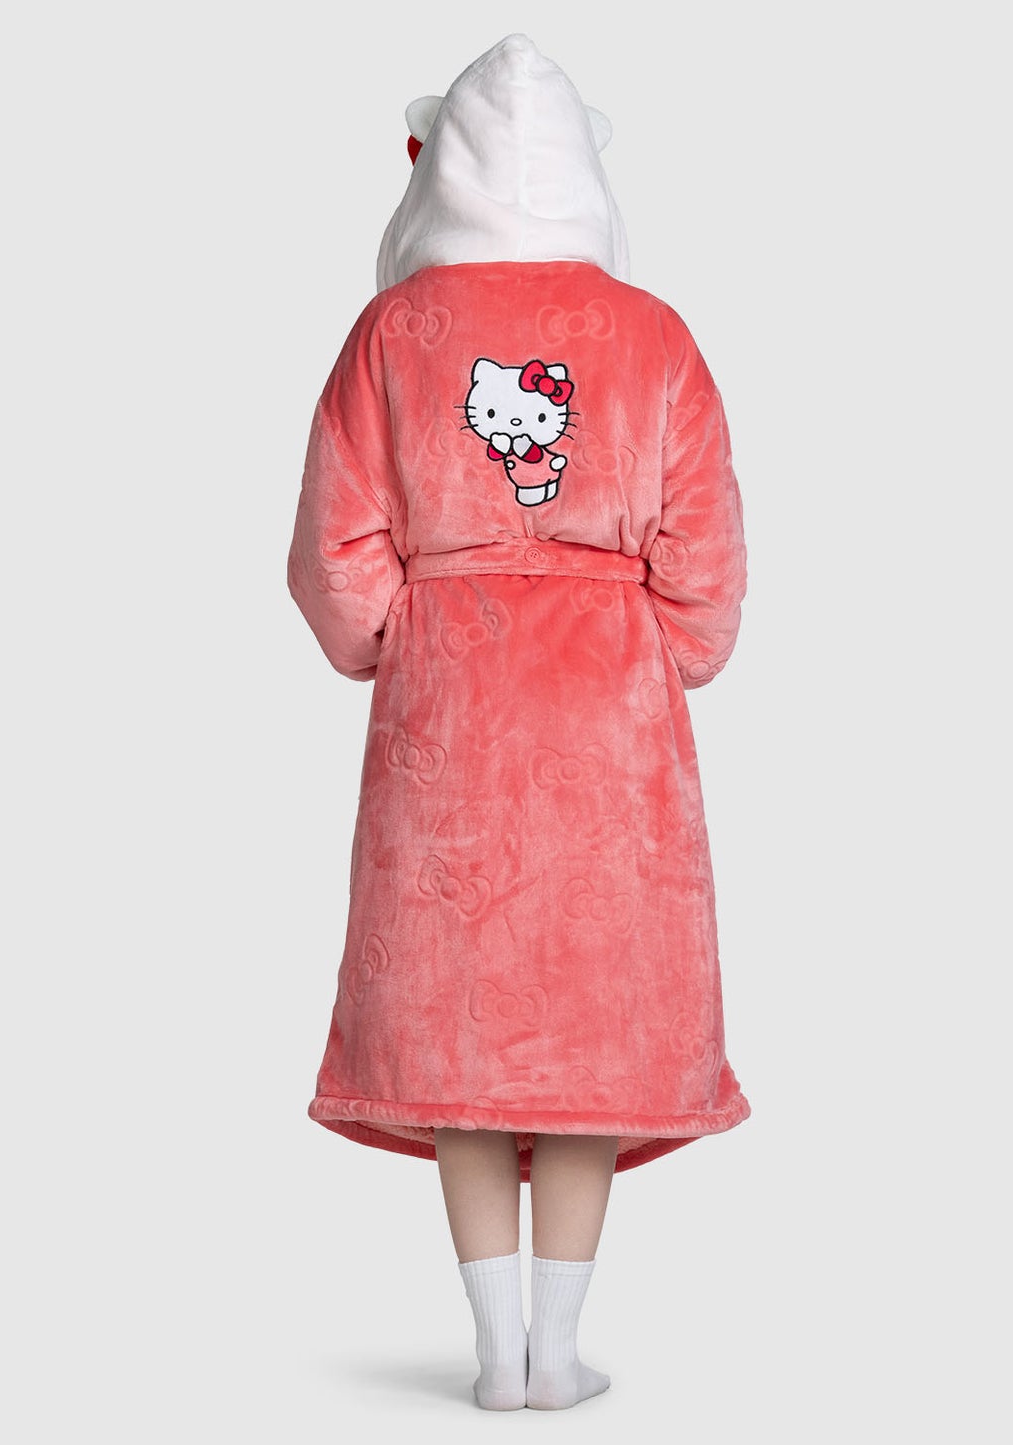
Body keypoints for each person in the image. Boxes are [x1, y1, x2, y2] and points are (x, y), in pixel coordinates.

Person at [288, 34, 751, 1411]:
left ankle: (495, 1354)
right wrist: (657, 652)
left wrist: (402, 640)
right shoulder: (653, 336)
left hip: (447, 713)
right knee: (591, 1031)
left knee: (461, 1032)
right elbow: (708, 563)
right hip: (611, 724)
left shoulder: (390, 333)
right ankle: (558, 1349)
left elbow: (334, 553)